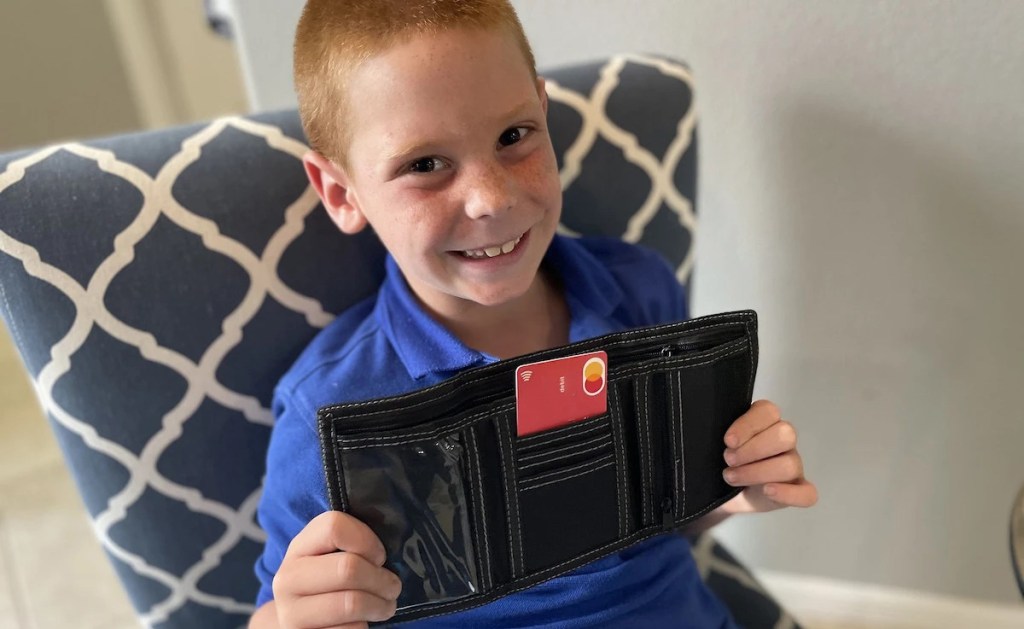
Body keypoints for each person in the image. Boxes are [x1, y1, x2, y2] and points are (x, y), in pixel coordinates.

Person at [250, 1, 818, 627]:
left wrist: (736, 491)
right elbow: (283, 608)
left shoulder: (639, 293)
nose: (492, 199)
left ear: (543, 112)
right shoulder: (329, 409)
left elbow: (668, 517)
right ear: (341, 191)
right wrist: (292, 619)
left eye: (514, 136)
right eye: (424, 165)